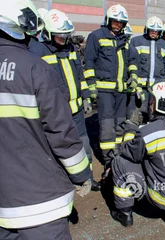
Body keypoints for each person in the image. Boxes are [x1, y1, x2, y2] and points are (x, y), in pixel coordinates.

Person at [0, 1, 92, 239]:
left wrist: (84, 96)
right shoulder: (33, 64)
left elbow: (78, 75)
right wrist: (81, 175)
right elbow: (60, 133)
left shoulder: (66, 50)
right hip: (39, 203)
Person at [111, 81, 165, 230]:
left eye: (153, 100)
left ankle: (124, 212)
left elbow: (128, 153)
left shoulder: (149, 133)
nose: (150, 103)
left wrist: (131, 128)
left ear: (163, 104)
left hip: (161, 198)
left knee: (119, 162)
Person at [29, 9, 101, 191]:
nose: (64, 39)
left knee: (83, 145)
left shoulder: (71, 48)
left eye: (66, 36)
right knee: (57, 147)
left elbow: (79, 75)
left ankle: (87, 178)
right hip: (55, 112)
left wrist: (85, 98)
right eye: (60, 36)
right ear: (47, 33)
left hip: (76, 109)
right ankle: (61, 182)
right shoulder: (37, 51)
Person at [84, 4, 133, 170]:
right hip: (104, 91)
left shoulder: (125, 40)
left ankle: (118, 154)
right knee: (107, 126)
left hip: (121, 91)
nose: (118, 25)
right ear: (108, 20)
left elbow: (131, 61)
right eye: (115, 21)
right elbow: (89, 61)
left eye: (121, 22)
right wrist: (91, 85)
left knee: (120, 124)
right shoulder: (96, 36)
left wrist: (133, 76)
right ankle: (108, 160)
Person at [127, 16, 165, 125]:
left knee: (155, 114)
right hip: (140, 87)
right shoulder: (136, 41)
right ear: (147, 29)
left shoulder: (164, 45)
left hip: (158, 87)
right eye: (152, 31)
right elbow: (131, 61)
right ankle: (135, 136)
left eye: (156, 31)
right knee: (137, 114)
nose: (154, 33)